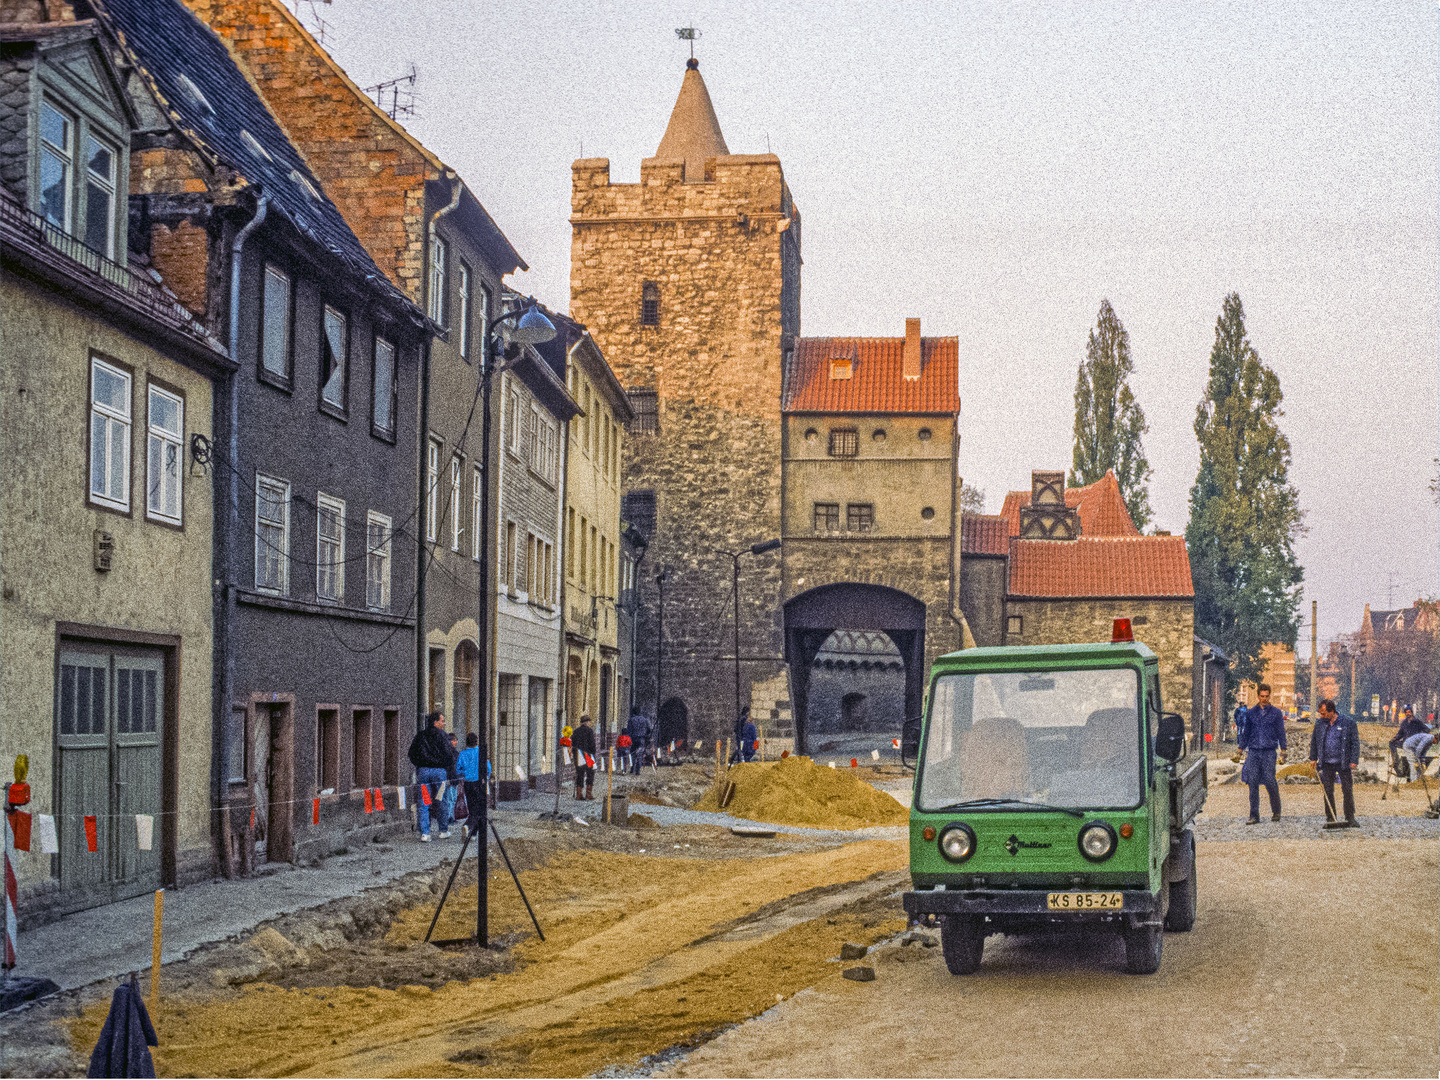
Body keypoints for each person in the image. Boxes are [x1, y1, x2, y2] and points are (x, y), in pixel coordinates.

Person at [1239, 684, 1287, 824]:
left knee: (1270, 781)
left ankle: (1276, 811)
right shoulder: (1251, 713)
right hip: (1254, 751)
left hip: (1269, 751)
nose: (1264, 699)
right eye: (1262, 696)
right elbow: (1246, 732)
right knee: (1252, 781)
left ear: (1269, 696)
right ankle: (1254, 815)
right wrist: (1240, 748)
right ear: (1258, 696)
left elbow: (1281, 732)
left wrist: (1283, 749)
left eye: (1266, 696)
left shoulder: (1276, 713)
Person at [1308, 699, 1359, 826]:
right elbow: (1314, 741)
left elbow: (1355, 743)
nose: (1321, 716)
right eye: (1320, 713)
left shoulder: (1348, 723)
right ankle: (1331, 817)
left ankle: (1350, 817)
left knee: (1347, 790)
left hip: (1343, 762)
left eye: (1324, 713)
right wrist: (1313, 758)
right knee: (1327, 790)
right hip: (1326, 762)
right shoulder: (1320, 724)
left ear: (1332, 711)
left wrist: (1354, 760)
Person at [407, 711, 456, 841]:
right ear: (435, 722)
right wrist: (447, 768)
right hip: (439, 772)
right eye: (442, 721)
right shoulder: (443, 736)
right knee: (441, 800)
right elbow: (449, 754)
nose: (444, 724)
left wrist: (419, 764)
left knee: (424, 801)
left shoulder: (421, 735)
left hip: (423, 771)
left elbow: (411, 753)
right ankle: (443, 830)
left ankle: (425, 833)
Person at [456, 732, 485, 834]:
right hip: (479, 783)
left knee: (471, 806)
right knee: (480, 808)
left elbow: (458, 769)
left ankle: (473, 832)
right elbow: (488, 767)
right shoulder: (480, 753)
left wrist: (465, 774)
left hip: (468, 783)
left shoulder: (462, 754)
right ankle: (468, 826)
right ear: (476, 742)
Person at [572, 714, 597, 800]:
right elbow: (592, 744)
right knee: (590, 774)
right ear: (587, 722)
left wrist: (575, 755)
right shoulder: (589, 731)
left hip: (578, 756)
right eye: (589, 722)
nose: (590, 723)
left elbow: (573, 744)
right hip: (588, 755)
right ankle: (588, 795)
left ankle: (579, 795)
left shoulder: (576, 731)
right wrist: (593, 754)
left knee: (580, 774)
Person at [626, 710, 652, 775]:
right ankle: (638, 770)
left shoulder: (631, 720)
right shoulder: (645, 720)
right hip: (641, 739)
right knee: (640, 754)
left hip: (633, 739)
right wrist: (646, 735)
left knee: (633, 754)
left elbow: (629, 731)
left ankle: (632, 769)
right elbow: (649, 729)